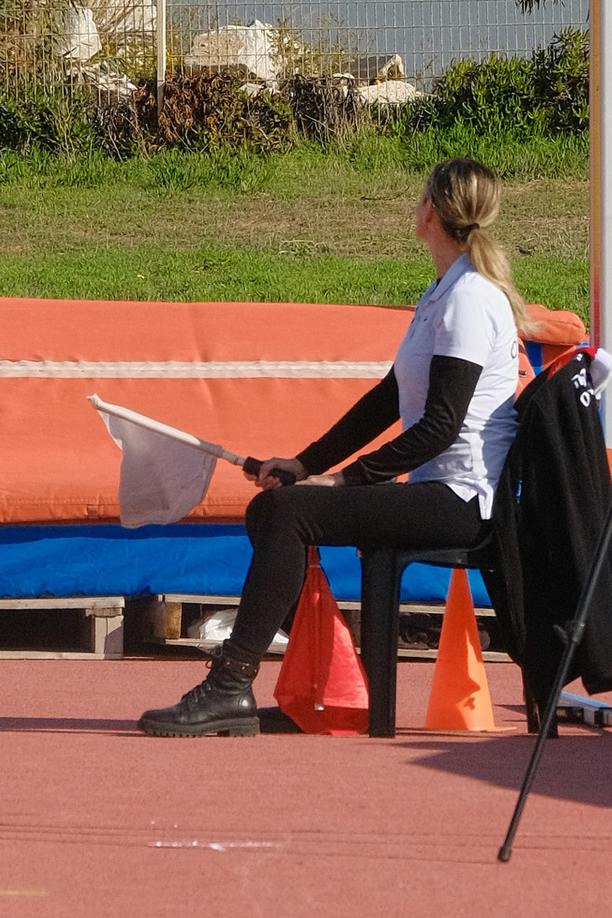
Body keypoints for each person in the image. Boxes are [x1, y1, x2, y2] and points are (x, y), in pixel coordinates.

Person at [136, 155, 526, 738]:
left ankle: (230, 685)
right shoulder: (443, 292)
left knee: (287, 513)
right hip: (434, 490)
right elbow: (386, 400)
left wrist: (345, 481)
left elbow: (439, 428)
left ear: (430, 213)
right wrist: (303, 463)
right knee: (276, 504)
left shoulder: (470, 299)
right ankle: (325, 680)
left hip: (460, 502)